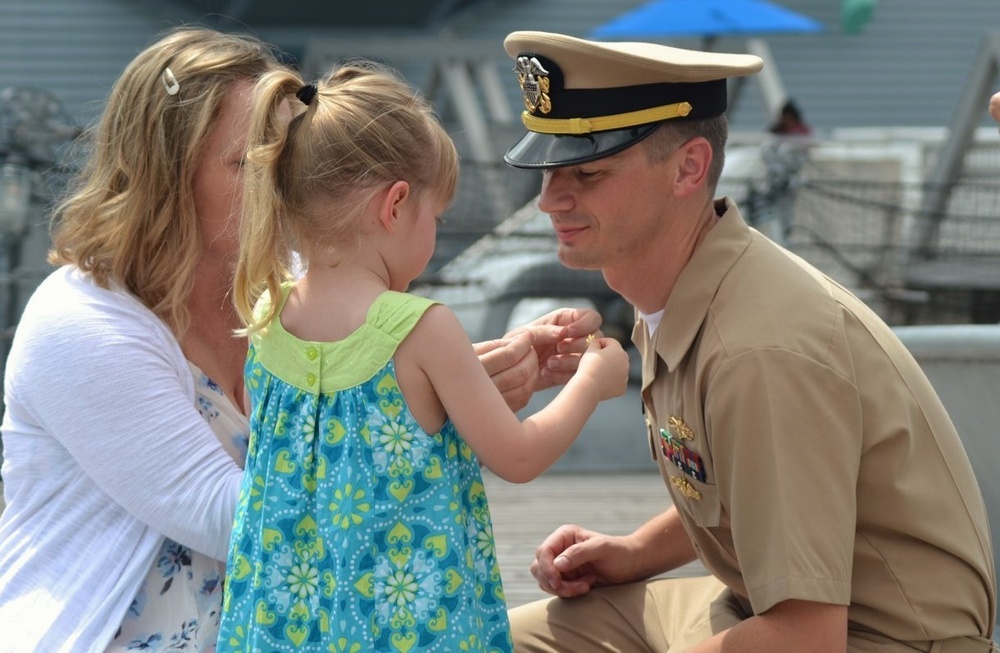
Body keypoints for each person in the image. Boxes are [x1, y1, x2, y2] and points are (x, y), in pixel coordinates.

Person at [0, 26, 605, 652]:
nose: (283, 181)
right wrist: (450, 397)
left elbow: (340, 411)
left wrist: (461, 377)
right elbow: (252, 516)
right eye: (250, 163)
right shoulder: (83, 324)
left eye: (288, 157)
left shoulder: (287, 284)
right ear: (166, 177)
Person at [500, 31, 997, 652]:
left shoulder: (758, 351)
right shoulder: (684, 291)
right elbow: (742, 493)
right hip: (759, 604)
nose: (549, 199)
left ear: (689, 168)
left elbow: (806, 638)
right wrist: (635, 552)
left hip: (877, 638)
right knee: (493, 641)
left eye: (589, 172)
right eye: (548, 170)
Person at [214, 60, 629, 652]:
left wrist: (504, 356)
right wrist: (592, 379)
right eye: (434, 217)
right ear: (396, 204)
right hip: (405, 628)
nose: (432, 234)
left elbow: (351, 414)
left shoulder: (268, 314)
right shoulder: (422, 326)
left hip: (289, 623)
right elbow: (517, 456)